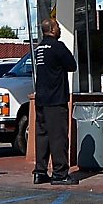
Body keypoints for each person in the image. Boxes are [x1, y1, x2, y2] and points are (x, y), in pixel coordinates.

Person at [32, 14, 77, 185]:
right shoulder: (57, 47)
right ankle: (60, 173)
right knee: (58, 137)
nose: (59, 29)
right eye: (57, 26)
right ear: (51, 29)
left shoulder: (39, 48)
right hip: (55, 99)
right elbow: (72, 65)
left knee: (42, 136)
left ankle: (40, 171)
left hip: (41, 99)